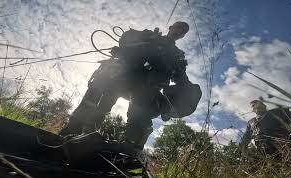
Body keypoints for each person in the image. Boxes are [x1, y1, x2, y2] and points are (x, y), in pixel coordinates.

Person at [59, 22, 202, 150]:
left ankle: (127, 150)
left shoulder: (177, 55)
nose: (179, 30)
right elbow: (126, 39)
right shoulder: (151, 36)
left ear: (182, 36)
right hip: (125, 76)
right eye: (178, 27)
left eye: (183, 30)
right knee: (102, 96)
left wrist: (189, 91)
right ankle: (75, 131)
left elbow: (181, 77)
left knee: (139, 115)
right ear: (170, 27)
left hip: (147, 88)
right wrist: (137, 43)